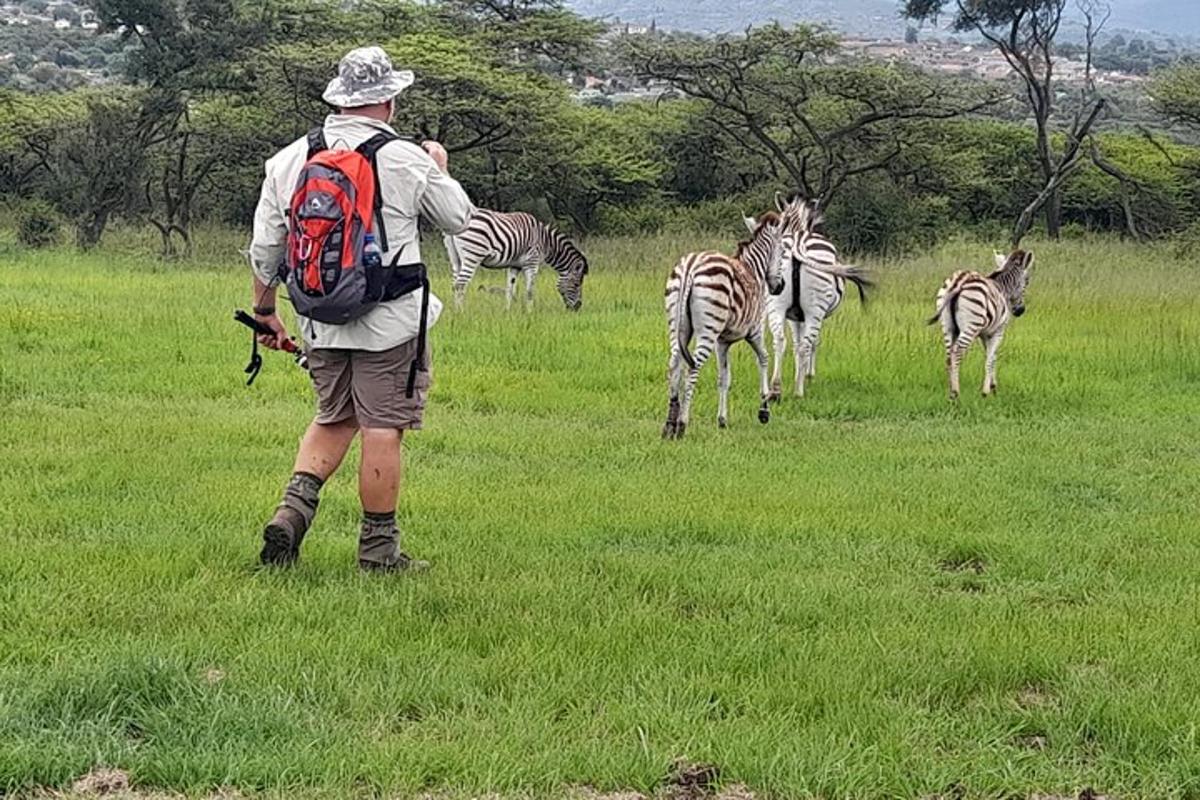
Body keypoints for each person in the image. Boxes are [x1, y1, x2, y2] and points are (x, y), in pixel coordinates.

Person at [247, 46, 473, 573]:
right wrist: (438, 165)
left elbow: (265, 248)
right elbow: (458, 218)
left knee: (334, 416)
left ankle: (291, 516)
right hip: (391, 320)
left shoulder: (289, 159)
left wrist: (264, 312)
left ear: (339, 99)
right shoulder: (404, 157)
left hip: (318, 317)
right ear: (388, 100)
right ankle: (378, 553)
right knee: (381, 426)